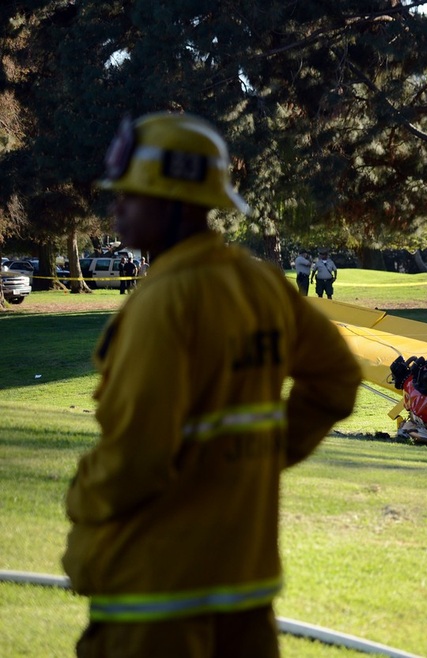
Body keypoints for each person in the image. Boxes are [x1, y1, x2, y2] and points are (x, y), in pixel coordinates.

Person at [64, 111, 362, 657]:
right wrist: (266, 451)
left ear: (173, 201)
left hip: (155, 600)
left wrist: (81, 500)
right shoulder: (264, 286)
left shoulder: (161, 303)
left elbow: (137, 456)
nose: (117, 205)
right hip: (243, 589)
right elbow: (339, 379)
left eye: (132, 192)